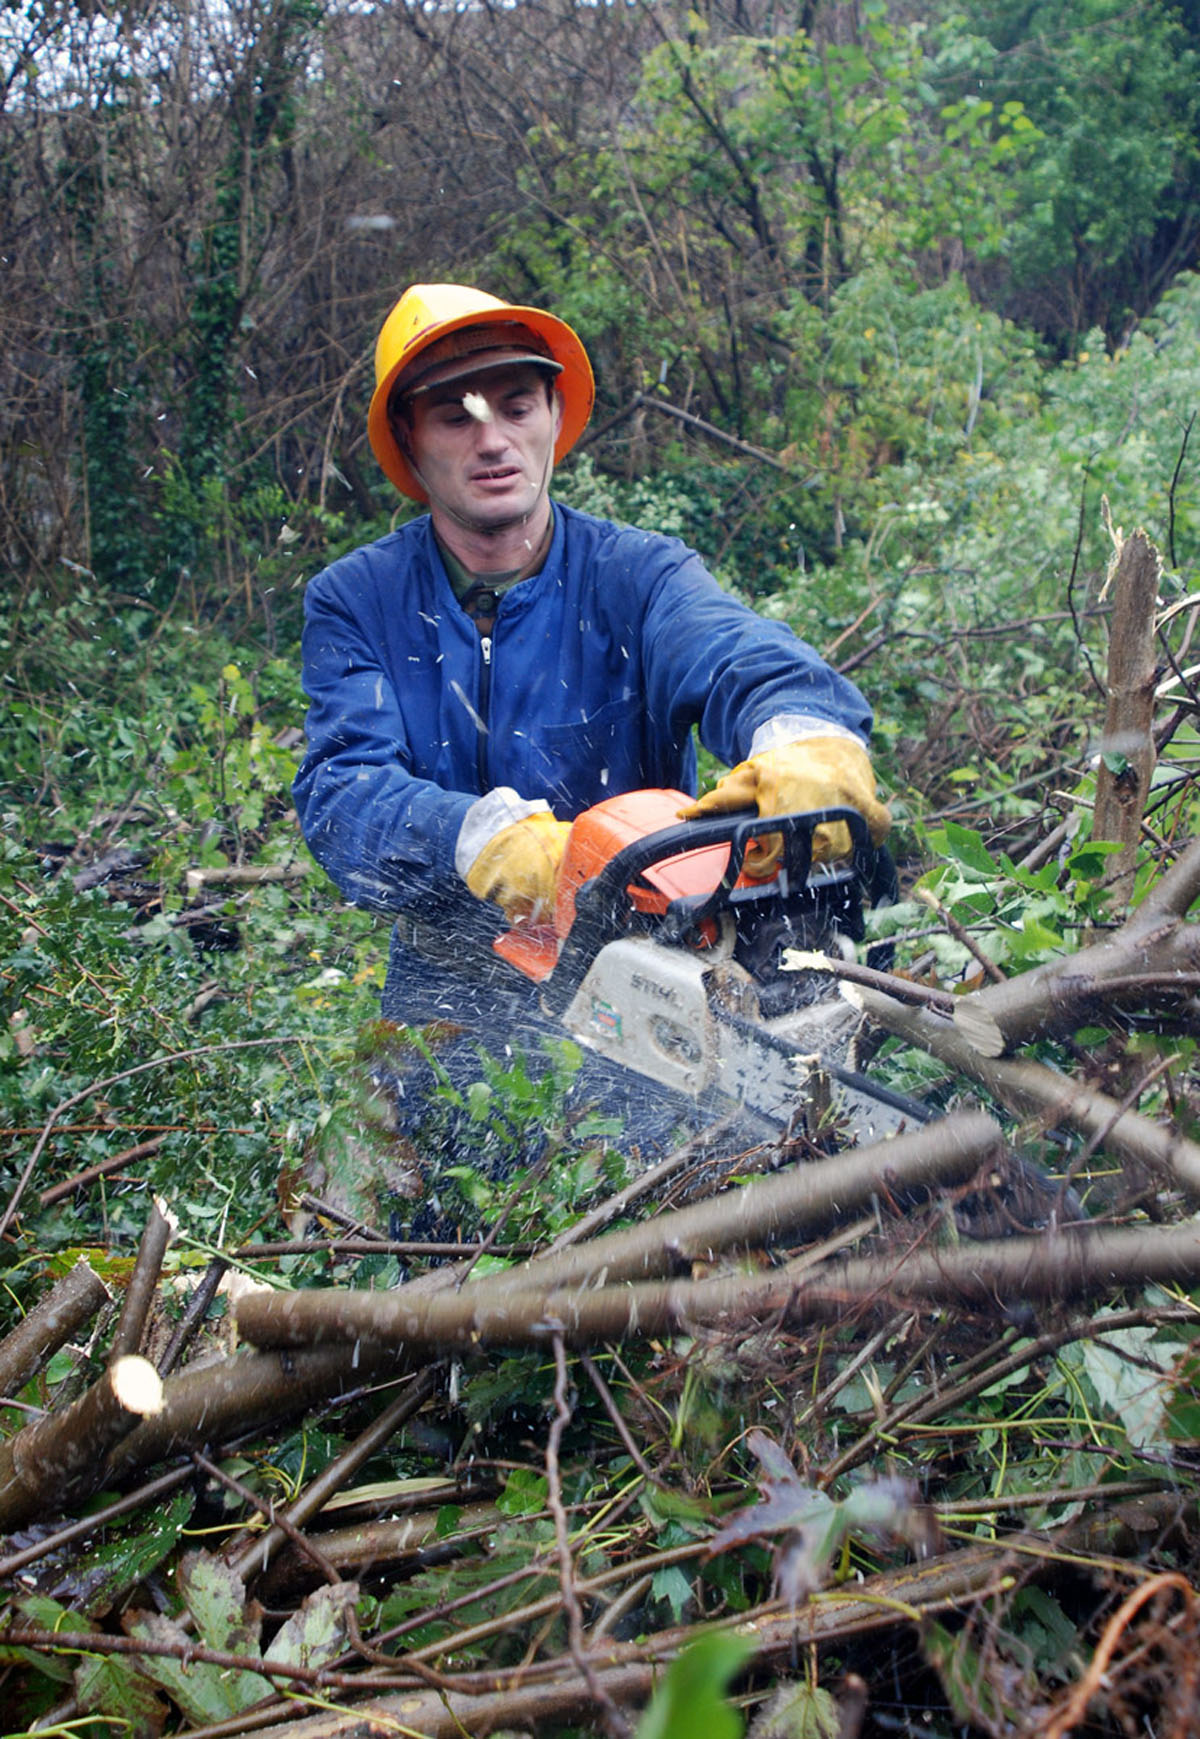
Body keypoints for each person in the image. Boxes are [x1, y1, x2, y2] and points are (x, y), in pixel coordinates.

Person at [293, 283, 890, 1082]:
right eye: (455, 416)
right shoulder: (359, 600)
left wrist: (805, 733)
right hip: (450, 990)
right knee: (430, 1180)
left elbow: (737, 651)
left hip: (652, 966)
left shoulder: (635, 575)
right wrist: (481, 841)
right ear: (407, 436)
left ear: (553, 411)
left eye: (514, 406)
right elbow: (344, 789)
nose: (493, 440)